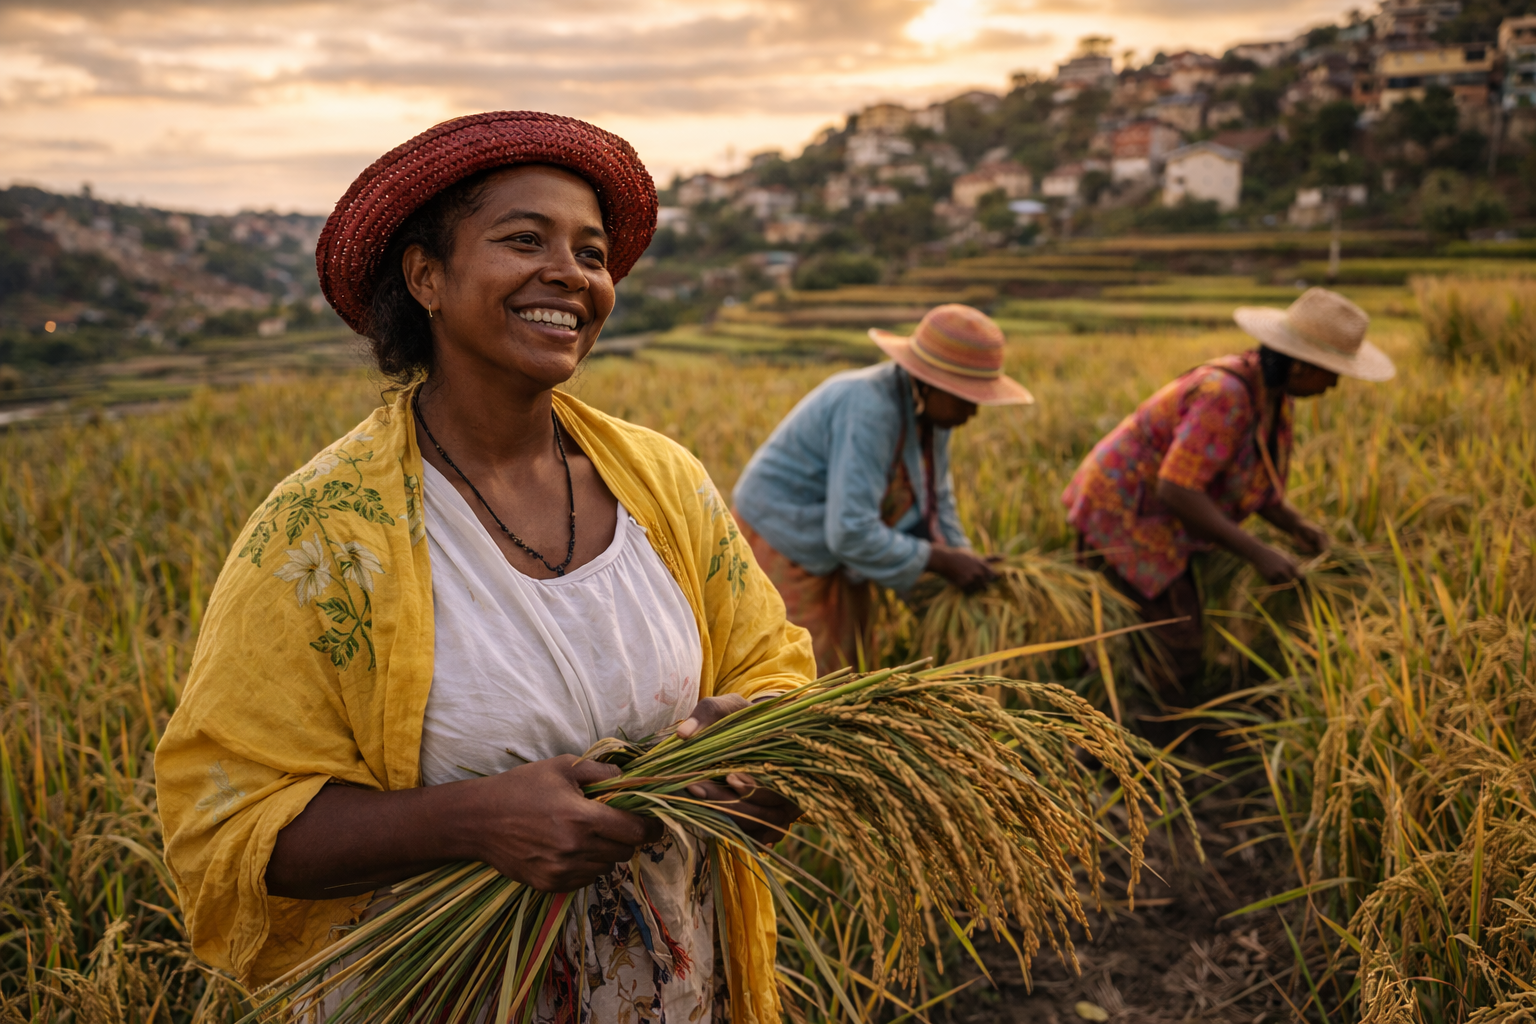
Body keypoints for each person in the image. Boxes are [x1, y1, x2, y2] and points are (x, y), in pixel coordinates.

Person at [154, 111, 815, 1023]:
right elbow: (230, 821)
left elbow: (773, 670)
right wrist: (473, 821)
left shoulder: (664, 481)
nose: (572, 274)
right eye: (523, 239)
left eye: (591, 252)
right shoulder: (319, 535)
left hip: (675, 987)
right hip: (440, 995)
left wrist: (752, 751)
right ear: (425, 276)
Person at [1062, 287, 1395, 694]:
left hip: (1156, 513)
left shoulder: (1271, 396)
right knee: (1170, 640)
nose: (1334, 386)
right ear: (1302, 366)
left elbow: (1249, 482)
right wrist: (1258, 552)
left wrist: (1296, 525)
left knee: (1156, 635)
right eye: (1332, 372)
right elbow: (1177, 489)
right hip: (1125, 513)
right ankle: (1140, 737)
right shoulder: (1226, 395)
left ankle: (1143, 724)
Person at [732, 304, 1034, 674]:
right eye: (966, 398)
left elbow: (937, 501)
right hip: (786, 540)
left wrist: (964, 559)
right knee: (803, 675)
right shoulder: (869, 407)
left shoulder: (932, 417)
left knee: (850, 660)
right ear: (931, 383)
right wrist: (939, 560)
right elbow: (850, 530)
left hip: (835, 548)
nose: (973, 412)